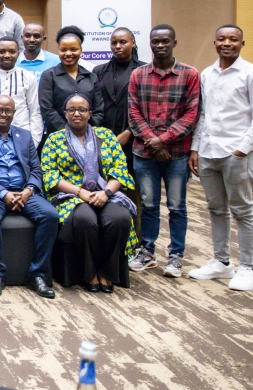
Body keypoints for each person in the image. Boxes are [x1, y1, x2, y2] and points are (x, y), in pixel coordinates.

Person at [0, 95, 58, 298]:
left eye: (7, 111)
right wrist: (3, 193)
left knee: (50, 215)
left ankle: (38, 274)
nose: (2, 114)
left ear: (14, 114)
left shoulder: (25, 136)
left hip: (23, 190)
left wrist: (28, 190)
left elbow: (36, 169)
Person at [42, 94, 137, 292]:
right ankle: (90, 273)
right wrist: (80, 192)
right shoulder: (54, 139)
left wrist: (107, 193)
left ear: (90, 113)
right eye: (72, 110)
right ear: (65, 114)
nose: (77, 113)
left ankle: (107, 272)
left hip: (106, 193)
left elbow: (120, 169)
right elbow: (49, 175)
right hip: (70, 196)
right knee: (85, 220)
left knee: (119, 218)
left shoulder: (107, 135)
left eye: (82, 109)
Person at [128, 25, 201, 278]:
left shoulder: (190, 74)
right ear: (149, 43)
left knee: (177, 206)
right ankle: (147, 252)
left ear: (174, 42)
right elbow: (134, 113)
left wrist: (164, 140)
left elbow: (192, 114)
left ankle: (175, 257)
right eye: (155, 41)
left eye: (165, 41)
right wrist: (152, 141)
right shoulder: (138, 74)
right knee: (148, 205)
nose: (160, 45)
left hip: (177, 155)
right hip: (145, 153)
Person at [188, 25, 253, 291]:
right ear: (214, 42)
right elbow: (203, 115)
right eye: (222, 39)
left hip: (236, 152)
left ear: (242, 43)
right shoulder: (207, 74)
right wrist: (195, 147)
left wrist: (243, 148)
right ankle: (222, 262)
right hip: (208, 152)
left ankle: (248, 267)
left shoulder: (249, 72)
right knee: (216, 209)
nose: (227, 43)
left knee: (244, 211)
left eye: (233, 39)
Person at [93, 27, 145, 231]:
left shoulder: (142, 70)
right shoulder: (99, 71)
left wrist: (130, 133)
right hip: (103, 142)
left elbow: (146, 109)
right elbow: (95, 105)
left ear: (133, 42)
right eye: (114, 42)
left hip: (133, 143)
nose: (118, 46)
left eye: (123, 42)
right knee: (103, 192)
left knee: (134, 195)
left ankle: (136, 243)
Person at [39, 26, 105, 138]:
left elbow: (99, 110)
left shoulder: (92, 77)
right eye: (63, 50)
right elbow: (47, 110)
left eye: (73, 49)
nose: (68, 53)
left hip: (89, 137)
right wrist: (68, 132)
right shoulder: (48, 76)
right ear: (58, 50)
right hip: (58, 137)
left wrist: (86, 130)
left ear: (81, 50)